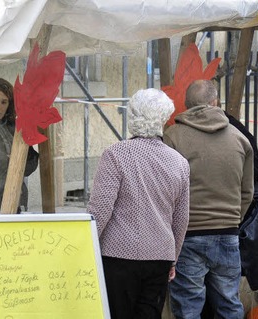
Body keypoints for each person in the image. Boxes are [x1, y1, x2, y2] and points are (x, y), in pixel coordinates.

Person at [87, 88, 190, 319]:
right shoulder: (179, 162)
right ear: (164, 119)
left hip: (118, 256)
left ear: (132, 117)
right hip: (160, 257)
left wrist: (87, 248)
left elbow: (100, 210)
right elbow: (181, 219)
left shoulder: (115, 155)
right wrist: (173, 257)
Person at [164, 79, 254, 319]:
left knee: (188, 306)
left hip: (188, 235)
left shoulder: (173, 136)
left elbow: (167, 189)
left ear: (185, 105)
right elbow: (247, 192)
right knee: (229, 302)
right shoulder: (239, 138)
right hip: (227, 232)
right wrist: (232, 218)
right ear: (215, 102)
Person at [0, 77, 39, 213]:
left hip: (17, 196)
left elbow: (32, 161)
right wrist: (9, 161)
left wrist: (19, 162)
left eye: (4, 102)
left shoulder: (14, 127)